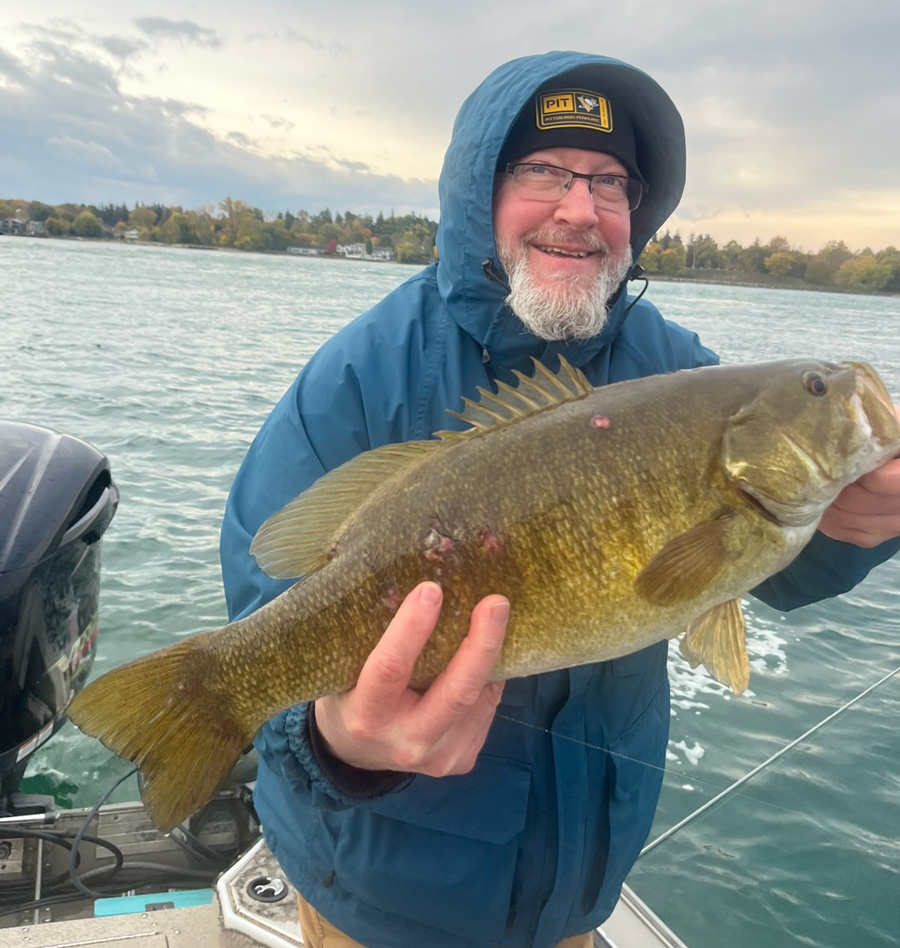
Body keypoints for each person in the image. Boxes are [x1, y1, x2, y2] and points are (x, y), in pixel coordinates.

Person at [220, 51, 900, 948]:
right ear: (478, 190)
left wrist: (853, 529)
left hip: (574, 894)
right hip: (377, 898)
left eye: (610, 182)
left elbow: (761, 559)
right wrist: (338, 745)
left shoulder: (677, 368)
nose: (579, 209)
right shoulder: (358, 379)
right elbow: (273, 618)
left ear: (637, 215)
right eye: (543, 171)